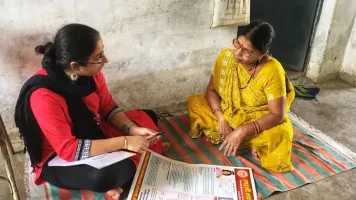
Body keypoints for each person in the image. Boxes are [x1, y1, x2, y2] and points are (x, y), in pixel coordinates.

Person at [15, 23, 169, 199]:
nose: (105, 60)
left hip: (93, 131)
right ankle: (136, 162)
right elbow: (68, 150)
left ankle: (138, 158)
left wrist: (132, 130)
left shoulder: (92, 74)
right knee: (103, 177)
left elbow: (107, 107)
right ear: (75, 66)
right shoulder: (43, 96)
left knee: (148, 117)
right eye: (99, 56)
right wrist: (125, 142)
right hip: (59, 156)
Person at [187, 20, 295, 172]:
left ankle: (243, 138)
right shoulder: (226, 56)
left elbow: (277, 115)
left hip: (258, 117)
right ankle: (244, 140)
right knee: (195, 102)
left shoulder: (272, 70)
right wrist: (221, 118)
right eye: (237, 44)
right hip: (227, 111)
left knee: (280, 135)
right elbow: (211, 91)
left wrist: (243, 130)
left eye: (247, 51)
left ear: (262, 54)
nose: (237, 53)